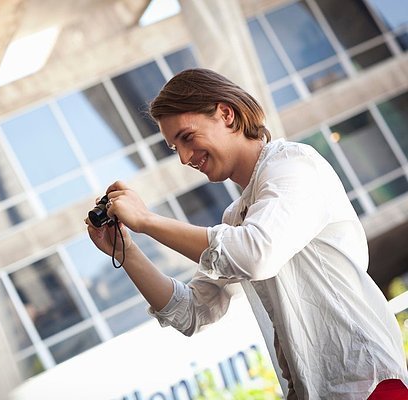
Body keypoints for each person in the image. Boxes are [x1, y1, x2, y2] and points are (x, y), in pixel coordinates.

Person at [85, 68, 408, 400]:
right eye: (174, 148)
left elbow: (256, 255)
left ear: (226, 114)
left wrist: (148, 220)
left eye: (186, 137)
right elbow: (193, 312)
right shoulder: (237, 218)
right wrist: (127, 250)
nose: (183, 157)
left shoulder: (293, 166)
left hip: (369, 386)